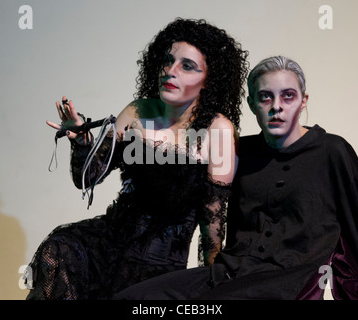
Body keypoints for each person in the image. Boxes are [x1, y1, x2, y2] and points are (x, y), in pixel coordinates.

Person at [114, 56, 358, 300]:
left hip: (287, 285)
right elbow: (192, 187)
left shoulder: (333, 152)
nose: (276, 106)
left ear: (303, 101)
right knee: (134, 298)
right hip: (227, 274)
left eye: (288, 96)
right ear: (251, 103)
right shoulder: (240, 150)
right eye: (265, 97)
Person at [25, 18, 249, 300]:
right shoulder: (137, 111)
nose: (170, 71)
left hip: (158, 266)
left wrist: (211, 283)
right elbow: (88, 177)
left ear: (209, 81)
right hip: (106, 244)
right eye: (168, 61)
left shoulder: (219, 132)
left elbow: (212, 222)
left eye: (187, 66)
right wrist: (82, 141)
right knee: (57, 251)